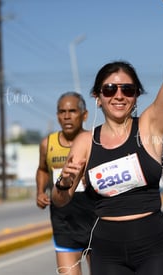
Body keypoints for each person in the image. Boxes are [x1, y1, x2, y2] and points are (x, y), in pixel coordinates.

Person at [52, 1, 163, 274]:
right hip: (107, 249)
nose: (118, 95)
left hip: (153, 245)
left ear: (135, 97)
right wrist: (64, 183)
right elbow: (60, 200)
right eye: (110, 89)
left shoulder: (149, 127)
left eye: (127, 89)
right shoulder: (85, 141)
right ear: (97, 98)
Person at [36, 92, 96, 275]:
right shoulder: (48, 143)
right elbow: (43, 169)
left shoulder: (95, 141)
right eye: (62, 112)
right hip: (64, 221)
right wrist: (40, 192)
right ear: (57, 116)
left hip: (95, 220)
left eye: (72, 111)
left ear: (84, 115)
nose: (67, 116)